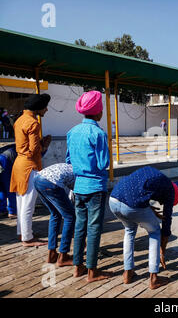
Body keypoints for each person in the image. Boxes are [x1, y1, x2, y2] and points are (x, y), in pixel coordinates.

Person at [109, 166, 178, 289]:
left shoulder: (155, 175)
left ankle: (128, 272)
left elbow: (137, 190)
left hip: (113, 199)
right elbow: (167, 220)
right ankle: (154, 278)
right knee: (155, 232)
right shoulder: (170, 191)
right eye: (163, 202)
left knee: (129, 230)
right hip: (131, 205)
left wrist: (149, 209)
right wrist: (162, 249)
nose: (161, 203)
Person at [66, 90, 111, 283]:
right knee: (94, 229)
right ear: (99, 112)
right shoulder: (99, 134)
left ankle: (78, 266)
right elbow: (104, 164)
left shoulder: (72, 132)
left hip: (78, 186)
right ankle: (92, 271)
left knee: (79, 226)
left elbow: (68, 159)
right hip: (95, 187)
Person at [10, 94, 52, 247]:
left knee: (21, 201)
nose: (46, 110)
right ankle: (27, 238)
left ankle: (23, 233)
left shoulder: (20, 119)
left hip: (19, 164)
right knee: (28, 204)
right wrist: (44, 145)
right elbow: (34, 149)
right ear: (38, 108)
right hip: (30, 166)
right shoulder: (33, 123)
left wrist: (39, 143)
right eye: (45, 107)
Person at [34, 163, 76, 266]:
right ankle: (63, 256)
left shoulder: (71, 167)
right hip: (51, 183)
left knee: (55, 214)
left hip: (38, 179)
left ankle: (51, 253)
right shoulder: (80, 175)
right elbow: (76, 197)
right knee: (70, 217)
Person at [0, 144, 17, 218]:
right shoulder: (35, 148)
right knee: (10, 187)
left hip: (3, 156)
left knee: (2, 187)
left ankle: (1, 209)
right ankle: (12, 212)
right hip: (7, 159)